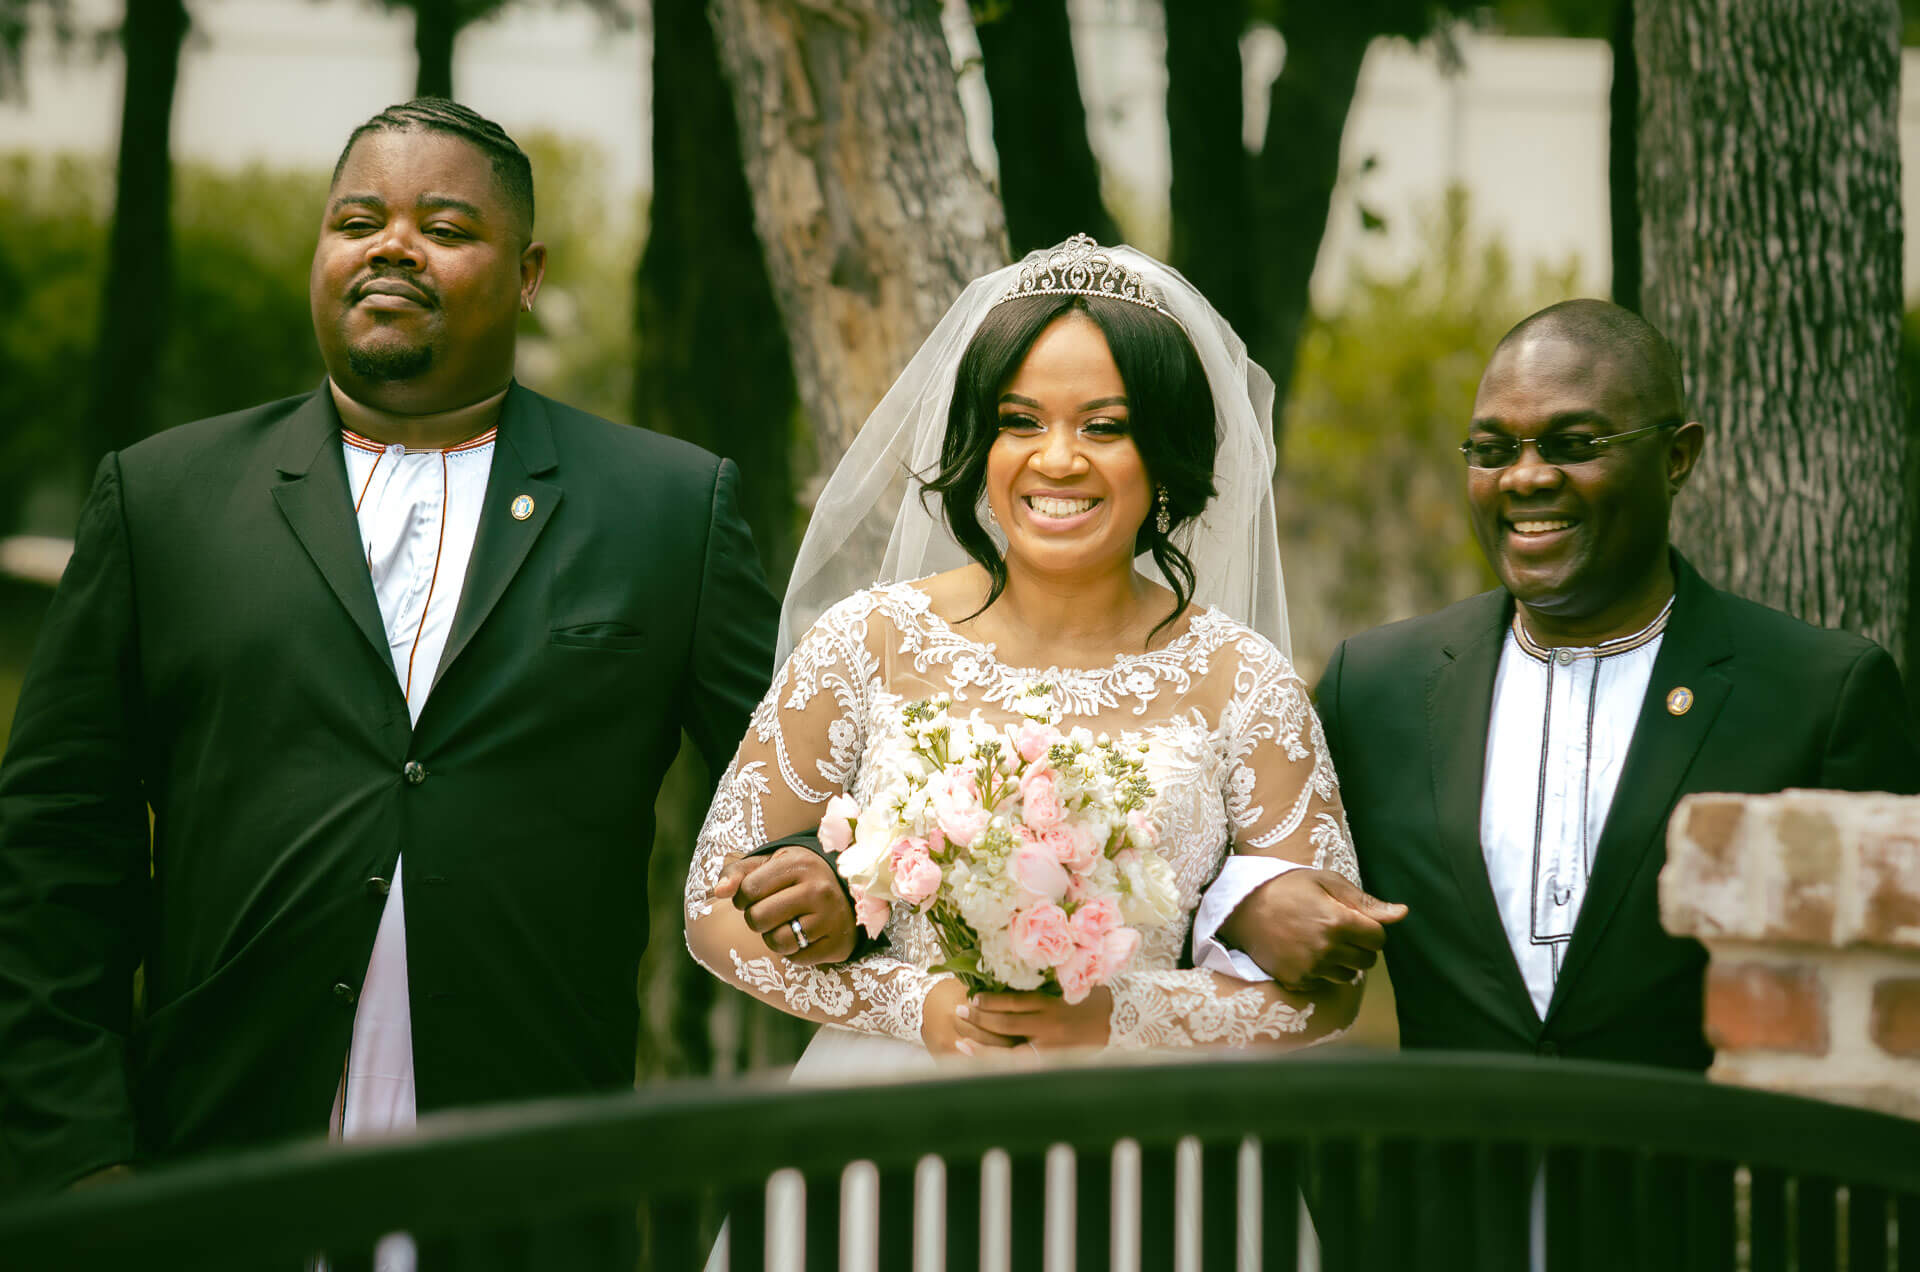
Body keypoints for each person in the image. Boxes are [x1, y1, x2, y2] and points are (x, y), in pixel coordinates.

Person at [0, 98, 847, 1209]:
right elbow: (53, 856)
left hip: (530, 1176)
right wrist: (78, 1151)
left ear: (529, 271)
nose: (392, 245)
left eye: (445, 228)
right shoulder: (162, 499)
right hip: (208, 1163)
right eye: (358, 221)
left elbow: (804, 797)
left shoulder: (669, 510)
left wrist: (832, 882)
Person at [683, 234, 1363, 1079]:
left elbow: (1329, 994)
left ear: (1167, 454)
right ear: (981, 442)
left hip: (1147, 1136)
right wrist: (917, 1004)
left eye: (1105, 427)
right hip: (890, 1112)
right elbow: (711, 911)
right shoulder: (868, 642)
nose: (1057, 459)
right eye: (1020, 422)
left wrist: (1122, 1014)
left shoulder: (1242, 680)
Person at [1202, 297, 1920, 1068]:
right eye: (1491, 449)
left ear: (1677, 457)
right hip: (1450, 1180)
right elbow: (1263, 892)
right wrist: (1247, 907)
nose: (1527, 476)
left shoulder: (1820, 694)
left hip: (1694, 1180)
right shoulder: (1377, 690)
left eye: (1575, 443)